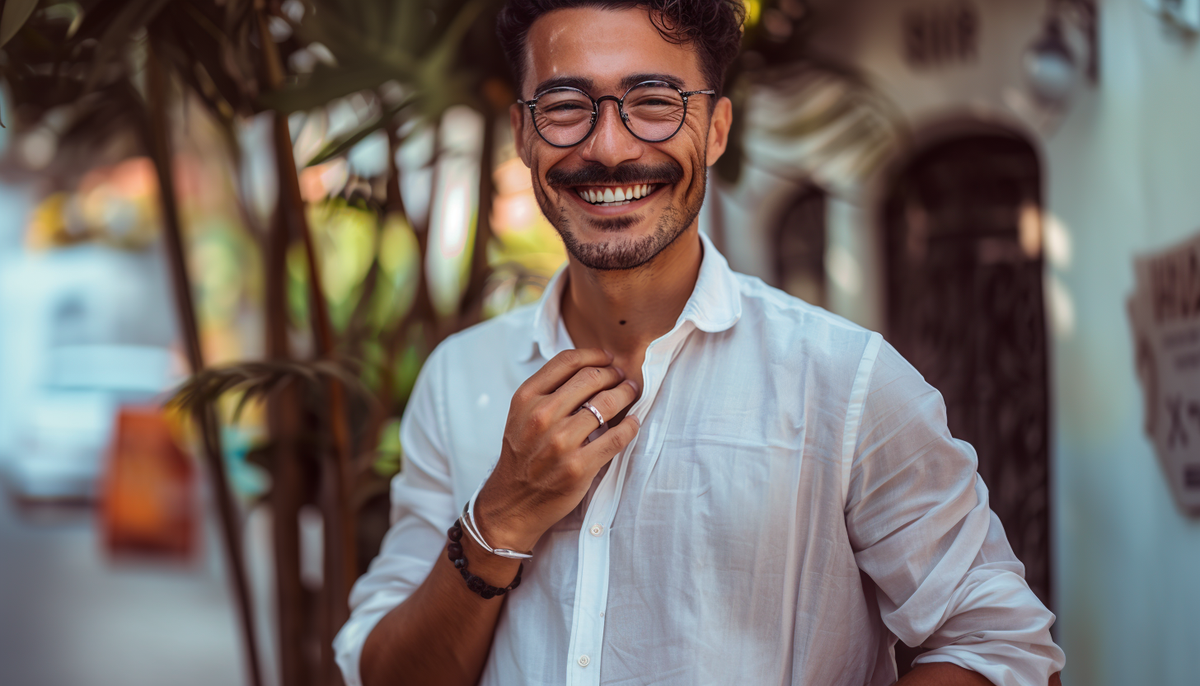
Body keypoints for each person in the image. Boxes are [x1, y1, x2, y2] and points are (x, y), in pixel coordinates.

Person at [333, 1, 1067, 684]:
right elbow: (387, 671)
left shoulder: (844, 382)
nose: (609, 147)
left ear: (716, 129)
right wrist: (499, 518)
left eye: (654, 102)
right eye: (564, 106)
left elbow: (1003, 647)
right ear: (524, 133)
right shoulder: (458, 378)